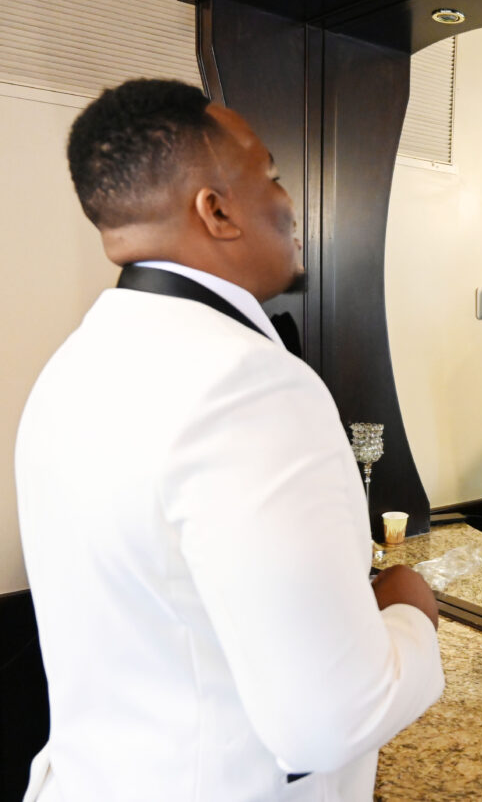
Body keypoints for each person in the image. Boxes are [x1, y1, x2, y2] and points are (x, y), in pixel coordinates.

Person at [15, 79, 444, 801]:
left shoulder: (69, 368)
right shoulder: (247, 383)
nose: (288, 201)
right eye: (270, 174)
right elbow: (333, 718)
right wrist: (409, 612)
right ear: (215, 210)